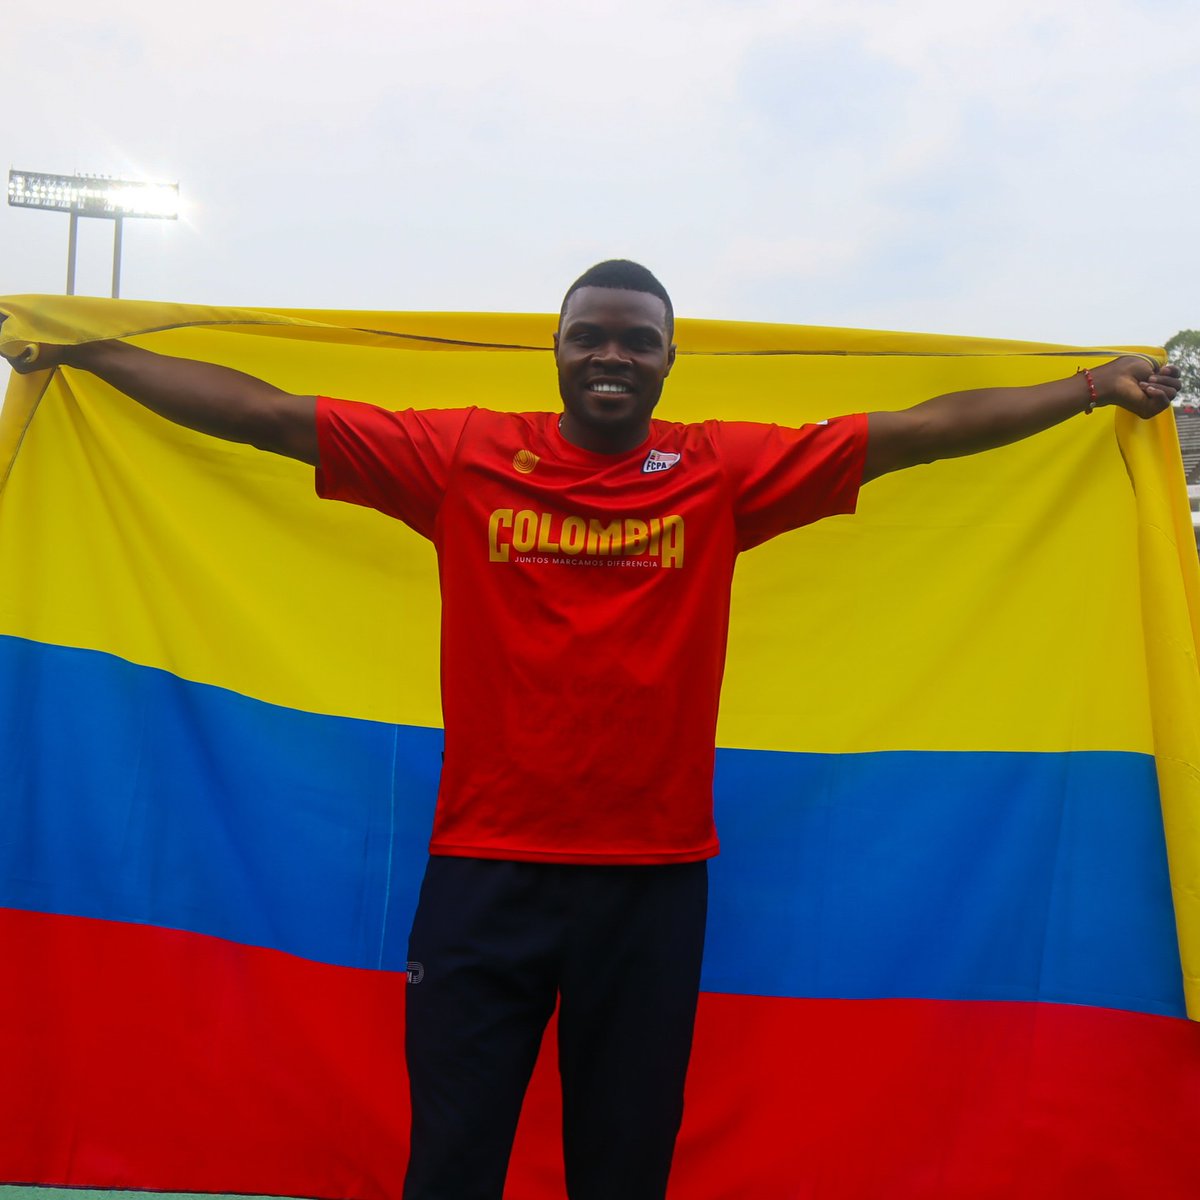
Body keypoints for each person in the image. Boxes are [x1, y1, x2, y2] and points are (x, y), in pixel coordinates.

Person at [3, 260, 1182, 1199]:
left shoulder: (718, 472)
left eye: (637, 340)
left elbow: (917, 430)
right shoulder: (464, 457)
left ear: (669, 363)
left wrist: (1085, 391)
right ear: (557, 351)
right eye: (590, 336)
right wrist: (81, 353)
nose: (612, 354)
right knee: (453, 1160)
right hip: (484, 875)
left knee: (624, 1168)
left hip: (653, 885)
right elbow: (265, 414)